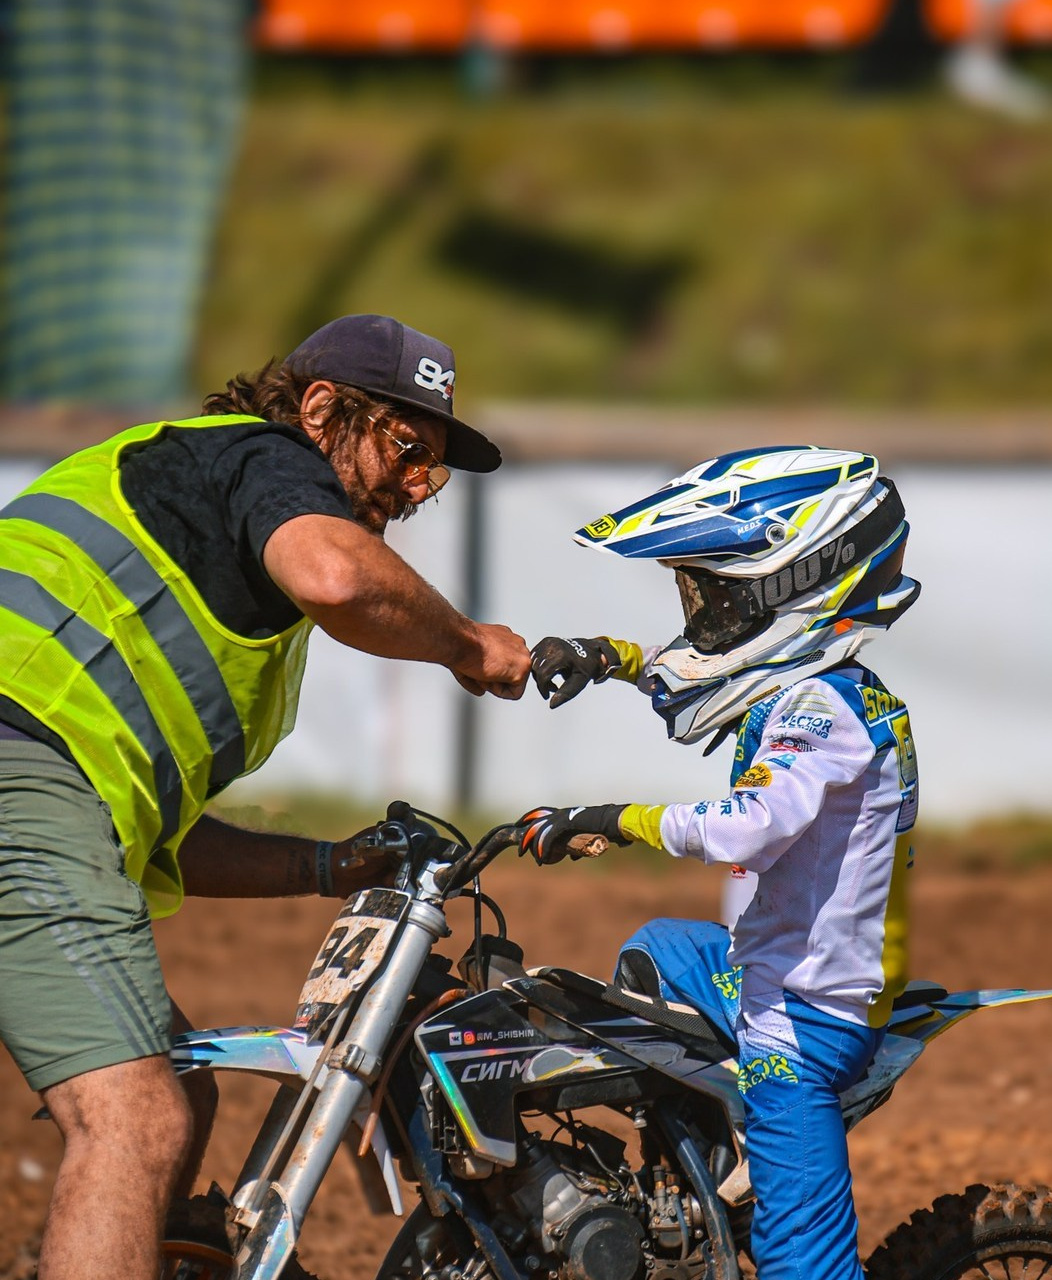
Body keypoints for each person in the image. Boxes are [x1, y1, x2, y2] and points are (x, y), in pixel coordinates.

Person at [0, 313, 530, 1280]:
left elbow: (153, 833)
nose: (424, 486)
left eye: (438, 467)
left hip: (32, 778)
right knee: (134, 1112)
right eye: (409, 449)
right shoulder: (263, 457)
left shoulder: (195, 539)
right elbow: (333, 574)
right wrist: (466, 643)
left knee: (183, 1092)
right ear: (322, 409)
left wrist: (326, 867)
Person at [519, 446, 920, 1280]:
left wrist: (612, 819)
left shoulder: (824, 707)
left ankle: (754, 1163)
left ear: (796, 587)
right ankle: (696, 1175)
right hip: (764, 970)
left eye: (717, 599)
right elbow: (689, 678)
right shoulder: (806, 688)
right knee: (659, 950)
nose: (701, 618)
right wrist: (609, 658)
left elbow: (750, 827)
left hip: (808, 1024)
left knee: (800, 1266)